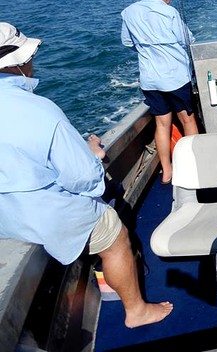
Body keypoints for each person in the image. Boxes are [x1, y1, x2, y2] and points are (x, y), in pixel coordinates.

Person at [0, 23, 173, 328]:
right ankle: (136, 311)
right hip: (43, 218)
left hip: (5, 223)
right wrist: (94, 156)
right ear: (18, 63)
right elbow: (85, 180)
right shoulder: (39, 111)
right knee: (114, 233)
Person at [121, 0, 199, 184]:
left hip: (150, 80)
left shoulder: (128, 12)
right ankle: (195, 165)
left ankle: (167, 171)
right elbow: (187, 40)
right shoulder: (170, 13)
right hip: (175, 78)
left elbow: (128, 43)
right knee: (187, 119)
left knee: (162, 124)